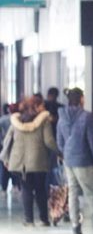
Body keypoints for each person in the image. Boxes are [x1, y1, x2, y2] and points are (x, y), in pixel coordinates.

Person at [56, 87, 93, 234]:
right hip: (84, 161)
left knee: (73, 192)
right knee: (91, 193)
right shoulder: (86, 117)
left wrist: (67, 153)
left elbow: (59, 142)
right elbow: (92, 142)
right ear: (81, 99)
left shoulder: (62, 117)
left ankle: (75, 225)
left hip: (68, 161)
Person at [5, 96, 57, 226]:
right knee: (40, 189)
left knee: (26, 189)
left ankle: (29, 220)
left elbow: (8, 141)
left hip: (20, 161)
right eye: (42, 105)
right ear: (36, 107)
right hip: (38, 160)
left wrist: (6, 158)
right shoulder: (44, 122)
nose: (44, 107)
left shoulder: (16, 122)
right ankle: (44, 219)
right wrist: (59, 152)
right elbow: (49, 141)